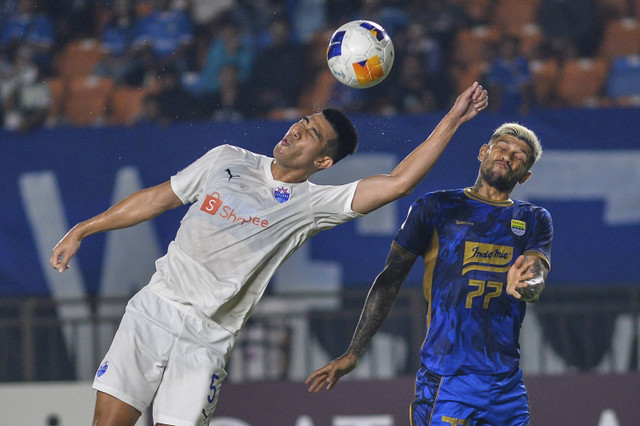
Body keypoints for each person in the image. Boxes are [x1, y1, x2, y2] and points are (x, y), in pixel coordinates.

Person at [50, 82, 488, 426]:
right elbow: (156, 199)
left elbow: (397, 183)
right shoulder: (226, 159)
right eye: (303, 121)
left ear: (323, 162)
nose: (297, 128)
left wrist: (452, 118)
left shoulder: (313, 205)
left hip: (207, 337)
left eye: (312, 133)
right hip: (154, 309)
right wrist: (84, 228)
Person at [307, 120, 553, 425]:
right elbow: (389, 279)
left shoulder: (532, 218)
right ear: (483, 152)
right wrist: (354, 351)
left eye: (519, 156)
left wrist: (530, 284)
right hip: (446, 380)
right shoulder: (437, 207)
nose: (507, 155)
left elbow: (537, 271)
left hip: (507, 387)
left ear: (525, 175)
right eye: (502, 147)